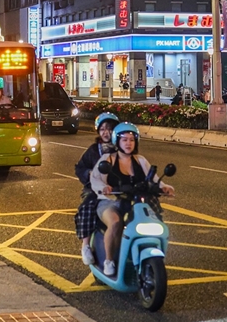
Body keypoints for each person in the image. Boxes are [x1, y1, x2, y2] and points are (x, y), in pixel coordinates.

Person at [90, 122, 175, 278]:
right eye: (124, 140)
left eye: (131, 140)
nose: (128, 143)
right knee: (116, 222)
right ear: (117, 141)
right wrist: (105, 187)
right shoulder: (108, 159)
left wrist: (164, 187)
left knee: (155, 223)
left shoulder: (140, 160)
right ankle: (109, 260)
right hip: (111, 201)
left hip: (136, 203)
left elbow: (154, 180)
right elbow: (95, 179)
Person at [74, 113, 119, 265]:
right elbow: (80, 167)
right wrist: (89, 173)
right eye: (103, 129)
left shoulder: (123, 148)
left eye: (110, 129)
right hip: (96, 190)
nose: (106, 132)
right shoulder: (94, 150)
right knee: (87, 208)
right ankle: (86, 245)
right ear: (98, 131)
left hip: (120, 190)